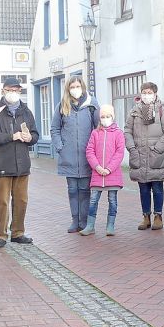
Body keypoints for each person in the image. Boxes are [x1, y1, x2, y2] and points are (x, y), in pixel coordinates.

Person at [0, 77, 39, 248]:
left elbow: (35, 134)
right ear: (3, 91)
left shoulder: (26, 111)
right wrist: (11, 136)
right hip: (2, 163)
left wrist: (30, 137)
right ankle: (1, 235)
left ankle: (18, 232)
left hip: (22, 164)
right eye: (10, 90)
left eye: (16, 90)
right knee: (2, 201)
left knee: (21, 200)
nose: (13, 93)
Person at [50, 76, 100, 233]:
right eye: (72, 87)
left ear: (82, 87)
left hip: (87, 157)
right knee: (72, 189)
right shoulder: (62, 106)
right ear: (68, 88)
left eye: (78, 86)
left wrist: (95, 149)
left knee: (85, 190)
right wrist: (60, 147)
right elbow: (55, 129)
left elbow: (98, 127)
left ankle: (84, 221)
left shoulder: (92, 104)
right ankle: (75, 220)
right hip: (69, 156)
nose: (75, 89)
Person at [124, 82, 164, 231]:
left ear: (155, 94)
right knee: (143, 189)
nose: (146, 95)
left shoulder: (162, 110)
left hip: (156, 156)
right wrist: (132, 148)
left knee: (157, 187)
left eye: (149, 92)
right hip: (139, 155)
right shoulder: (134, 111)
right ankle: (145, 216)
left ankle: (158, 216)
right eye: (144, 92)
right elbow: (127, 131)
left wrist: (157, 149)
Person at [81, 105, 125, 236]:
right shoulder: (95, 133)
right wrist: (98, 167)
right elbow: (89, 151)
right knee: (93, 200)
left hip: (113, 175)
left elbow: (119, 152)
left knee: (112, 200)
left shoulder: (118, 133)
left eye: (108, 116)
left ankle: (110, 225)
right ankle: (90, 226)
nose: (105, 119)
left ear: (113, 117)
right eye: (103, 117)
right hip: (97, 174)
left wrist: (109, 168)